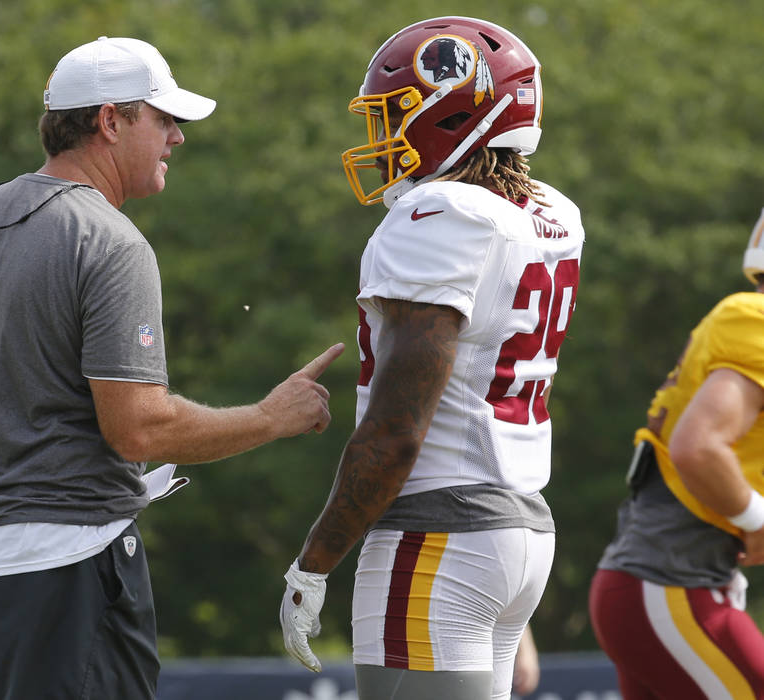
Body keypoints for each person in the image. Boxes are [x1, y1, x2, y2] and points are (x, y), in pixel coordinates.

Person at [0, 35, 344, 699]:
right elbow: (139, 429)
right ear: (109, 121)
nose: (177, 139)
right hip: (69, 571)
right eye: (164, 120)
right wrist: (269, 418)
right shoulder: (109, 240)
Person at [278, 16, 585, 700]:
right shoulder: (550, 213)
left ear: (453, 114)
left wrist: (314, 562)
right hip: (520, 530)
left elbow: (395, 433)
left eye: (395, 116)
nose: (381, 137)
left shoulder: (441, 214)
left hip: (437, 533)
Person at [590, 212, 764, 699]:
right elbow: (698, 445)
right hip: (670, 584)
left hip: (663, 582)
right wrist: (756, 518)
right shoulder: (757, 321)